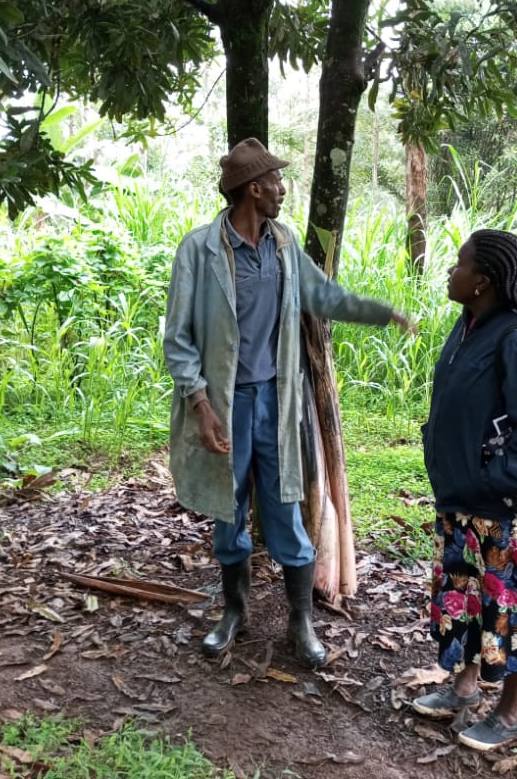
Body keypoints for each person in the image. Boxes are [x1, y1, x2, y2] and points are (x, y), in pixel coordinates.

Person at [163, 137, 414, 668]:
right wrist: (201, 404)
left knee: (284, 504)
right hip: (225, 405)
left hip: (277, 402)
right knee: (227, 508)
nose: (282, 189)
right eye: (275, 181)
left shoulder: (283, 246)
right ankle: (234, 612)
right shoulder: (199, 250)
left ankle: (300, 622)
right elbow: (179, 338)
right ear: (253, 190)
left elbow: (324, 295)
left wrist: (380, 312)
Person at [414, 229, 517, 752]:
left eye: (459, 263)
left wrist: (492, 481)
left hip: (499, 512)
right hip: (461, 504)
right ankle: (464, 685)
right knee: (467, 601)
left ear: (482, 280)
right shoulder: (469, 326)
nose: (451, 271)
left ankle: (510, 711)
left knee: (513, 612)